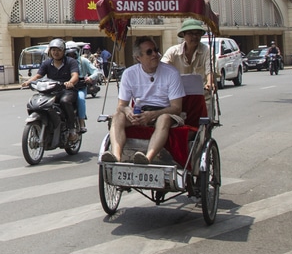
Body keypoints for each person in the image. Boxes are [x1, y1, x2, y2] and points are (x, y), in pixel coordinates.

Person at [101, 36, 185, 164]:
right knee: (117, 115)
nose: (155, 55)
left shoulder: (171, 73)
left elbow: (176, 107)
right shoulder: (129, 74)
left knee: (164, 119)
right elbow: (121, 105)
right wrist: (128, 111)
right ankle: (116, 157)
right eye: (149, 52)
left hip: (164, 112)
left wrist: (153, 114)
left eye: (156, 50)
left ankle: (147, 158)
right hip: (140, 112)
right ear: (138, 58)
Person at [22, 38, 81, 143]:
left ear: (64, 51)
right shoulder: (47, 63)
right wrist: (28, 82)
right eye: (53, 50)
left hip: (66, 91)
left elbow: (75, 75)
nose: (56, 52)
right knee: (36, 103)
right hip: (51, 90)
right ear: (50, 51)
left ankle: (71, 129)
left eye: (58, 50)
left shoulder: (71, 62)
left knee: (65, 101)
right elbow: (38, 75)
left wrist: (70, 82)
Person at [161, 18, 215, 118]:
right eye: (190, 33)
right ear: (184, 35)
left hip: (201, 97)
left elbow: (210, 69)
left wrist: (209, 83)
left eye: (197, 33)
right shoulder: (173, 52)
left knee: (205, 124)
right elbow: (162, 68)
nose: (195, 36)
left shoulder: (206, 51)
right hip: (177, 98)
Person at [65, 42, 97, 134]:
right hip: (65, 87)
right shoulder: (62, 62)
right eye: (68, 53)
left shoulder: (83, 61)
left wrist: (90, 78)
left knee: (80, 99)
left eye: (73, 53)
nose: (71, 55)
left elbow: (95, 71)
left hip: (79, 87)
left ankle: (81, 122)